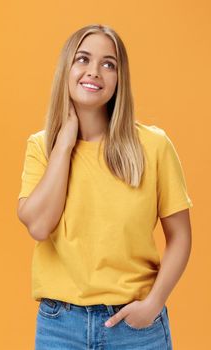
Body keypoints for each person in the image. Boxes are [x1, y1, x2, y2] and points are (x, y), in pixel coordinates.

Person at [17, 23, 193, 350]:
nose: (94, 71)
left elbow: (181, 236)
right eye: (83, 59)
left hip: (136, 329)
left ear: (119, 79)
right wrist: (65, 144)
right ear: (66, 69)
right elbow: (39, 226)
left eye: (108, 64)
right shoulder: (42, 147)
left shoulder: (153, 146)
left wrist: (154, 304)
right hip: (61, 327)